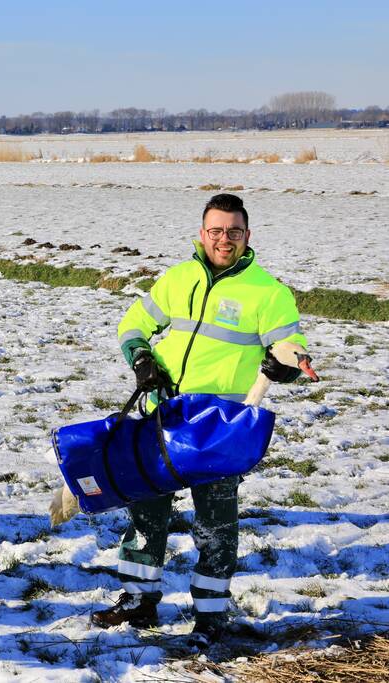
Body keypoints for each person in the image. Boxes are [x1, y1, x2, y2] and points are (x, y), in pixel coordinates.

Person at [92, 193, 308, 645]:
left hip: (220, 426)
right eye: (216, 231)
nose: (223, 240)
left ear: (247, 236)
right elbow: (133, 324)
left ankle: (210, 617)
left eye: (233, 231)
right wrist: (140, 359)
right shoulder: (178, 279)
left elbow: (290, 348)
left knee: (215, 521)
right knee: (146, 509)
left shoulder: (268, 292)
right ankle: (138, 601)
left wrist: (286, 365)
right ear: (202, 233)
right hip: (164, 415)